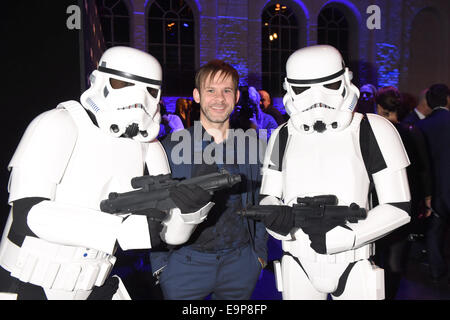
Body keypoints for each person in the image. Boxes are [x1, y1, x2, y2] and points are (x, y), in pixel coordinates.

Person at [0, 46, 211, 300]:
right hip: (27, 281)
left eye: (149, 90)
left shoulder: (148, 147)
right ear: (97, 80)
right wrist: (121, 230)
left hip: (94, 284)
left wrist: (189, 213)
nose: (138, 99)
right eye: (122, 83)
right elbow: (28, 214)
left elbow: (167, 236)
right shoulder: (58, 123)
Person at [247, 45, 411, 300]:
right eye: (304, 89)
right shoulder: (282, 135)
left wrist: (349, 236)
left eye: (329, 85)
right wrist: (275, 219)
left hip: (354, 260)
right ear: (290, 88)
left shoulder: (374, 130)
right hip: (297, 259)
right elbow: (269, 196)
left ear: (346, 80)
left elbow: (399, 207)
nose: (317, 99)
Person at [150, 59, 268, 300]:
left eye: (227, 91)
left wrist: (259, 254)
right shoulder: (170, 148)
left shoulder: (253, 146)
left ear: (236, 97)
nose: (219, 98)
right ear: (197, 95)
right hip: (185, 263)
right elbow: (154, 209)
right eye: (211, 90)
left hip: (240, 263)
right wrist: (161, 264)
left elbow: (263, 200)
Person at [374, 86, 432, 299]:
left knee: (374, 255)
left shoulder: (374, 133)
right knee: (396, 259)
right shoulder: (412, 131)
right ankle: (388, 295)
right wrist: (427, 199)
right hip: (405, 202)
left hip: (375, 202)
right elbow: (424, 169)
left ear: (379, 107)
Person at [415, 83, 450, 284]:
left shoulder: (421, 127)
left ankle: (437, 271)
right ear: (447, 99)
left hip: (436, 192)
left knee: (434, 233)